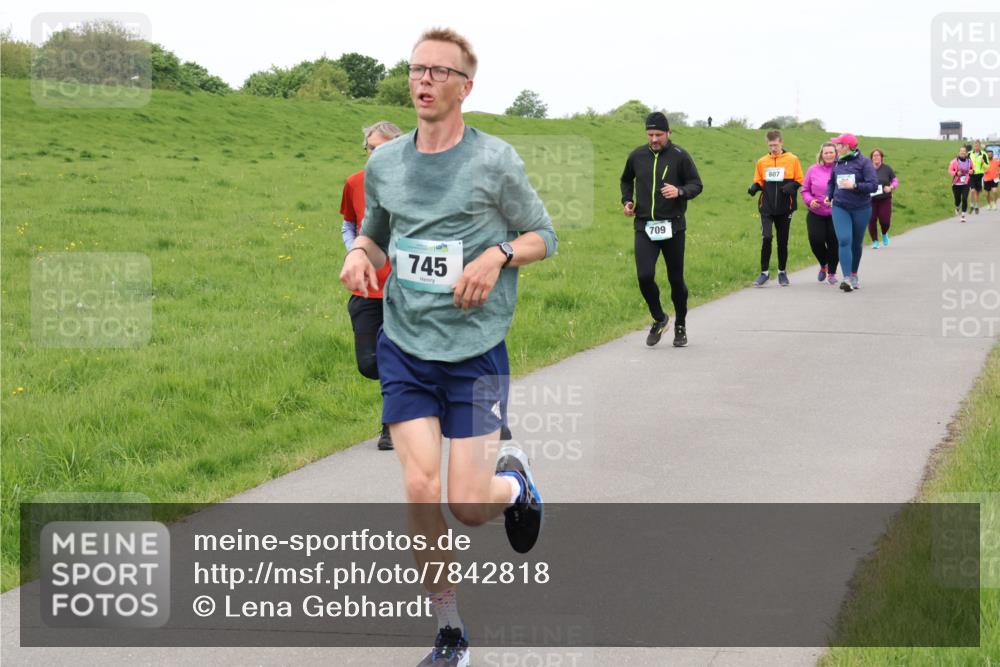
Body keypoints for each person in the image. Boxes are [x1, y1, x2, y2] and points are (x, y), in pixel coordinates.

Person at [339, 28, 556, 667]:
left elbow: (543, 234)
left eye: (439, 71)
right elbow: (376, 236)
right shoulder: (385, 163)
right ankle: (450, 632)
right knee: (418, 486)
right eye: (415, 70)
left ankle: (514, 485)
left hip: (475, 350)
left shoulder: (495, 161)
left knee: (466, 503)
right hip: (405, 345)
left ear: (466, 85)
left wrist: (498, 253)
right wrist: (358, 255)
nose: (423, 80)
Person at [340, 120, 403, 451]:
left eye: (384, 149)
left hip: (406, 289)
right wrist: (355, 253)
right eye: (372, 149)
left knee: (395, 354)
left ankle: (390, 427)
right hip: (367, 289)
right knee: (369, 363)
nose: (376, 155)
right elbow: (349, 224)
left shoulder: (417, 183)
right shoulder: (355, 183)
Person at [620, 111, 704, 347]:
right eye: (650, 134)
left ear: (668, 133)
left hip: (673, 227)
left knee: (676, 279)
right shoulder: (637, 155)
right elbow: (626, 180)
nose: (654, 139)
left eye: (658, 134)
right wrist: (626, 201)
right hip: (645, 226)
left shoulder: (680, 156)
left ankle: (680, 325)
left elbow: (696, 185)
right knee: (644, 276)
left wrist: (679, 191)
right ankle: (659, 318)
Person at [747, 130, 804, 287]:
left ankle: (782, 272)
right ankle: (764, 273)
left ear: (782, 143)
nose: (773, 148)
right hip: (766, 206)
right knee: (766, 238)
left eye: (776, 145)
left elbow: (799, 180)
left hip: (786, 207)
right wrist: (754, 187)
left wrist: (790, 186)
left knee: (782, 241)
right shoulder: (762, 161)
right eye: (770, 145)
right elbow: (759, 181)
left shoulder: (792, 159)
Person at [824, 133, 878, 292]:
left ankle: (854, 274)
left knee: (856, 243)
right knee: (844, 240)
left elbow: (873, 185)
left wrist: (854, 186)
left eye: (838, 145)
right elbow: (831, 183)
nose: (836, 147)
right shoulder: (837, 163)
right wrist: (829, 195)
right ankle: (846, 278)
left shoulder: (864, 163)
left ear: (846, 146)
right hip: (840, 207)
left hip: (861, 208)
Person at [801, 142, 840, 285]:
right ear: (821, 155)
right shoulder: (813, 170)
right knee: (816, 240)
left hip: (837, 213)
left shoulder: (841, 169)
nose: (829, 155)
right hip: (816, 212)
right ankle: (824, 264)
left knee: (834, 243)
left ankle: (832, 273)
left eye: (831, 152)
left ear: (836, 154)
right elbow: (805, 190)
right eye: (826, 153)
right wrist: (809, 201)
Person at [868, 149, 899, 249]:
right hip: (870, 200)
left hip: (885, 199)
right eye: (874, 155)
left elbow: (895, 181)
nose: (876, 157)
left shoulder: (887, 169)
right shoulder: (867, 169)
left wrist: (891, 187)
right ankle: (875, 241)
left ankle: (884, 233)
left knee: (885, 221)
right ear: (871, 158)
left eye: (878, 155)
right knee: (871, 220)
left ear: (881, 157)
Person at [949, 146, 973, 223]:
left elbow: (972, 168)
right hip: (956, 183)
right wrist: (956, 173)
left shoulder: (969, 161)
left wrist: (972, 171)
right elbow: (950, 171)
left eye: (964, 151)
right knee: (957, 199)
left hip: (966, 182)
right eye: (961, 151)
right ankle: (957, 207)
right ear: (959, 152)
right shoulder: (954, 161)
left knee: (964, 198)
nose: (963, 152)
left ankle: (963, 215)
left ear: (966, 152)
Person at [969, 139, 988, 215]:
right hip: (972, 175)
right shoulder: (969, 154)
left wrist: (983, 163)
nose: (976, 147)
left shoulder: (983, 154)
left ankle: (977, 206)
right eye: (975, 145)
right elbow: (965, 163)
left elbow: (987, 166)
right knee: (972, 190)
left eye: (978, 145)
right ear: (973, 146)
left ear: (980, 146)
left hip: (980, 175)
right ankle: (971, 205)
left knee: (977, 192)